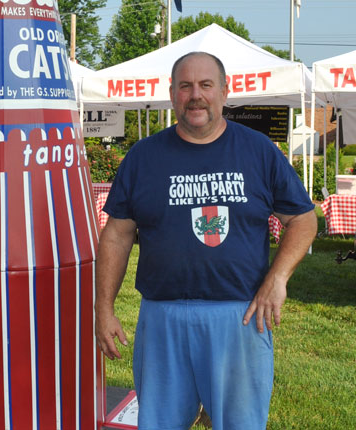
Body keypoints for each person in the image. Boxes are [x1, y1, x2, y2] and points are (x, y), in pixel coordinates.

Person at [95, 52, 317, 430]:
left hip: (239, 316)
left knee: (240, 423)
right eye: (185, 86)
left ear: (224, 92)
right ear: (172, 94)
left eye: (205, 85)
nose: (195, 95)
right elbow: (116, 234)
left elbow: (302, 218)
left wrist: (277, 279)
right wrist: (104, 307)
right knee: (160, 423)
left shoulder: (259, 151)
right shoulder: (143, 156)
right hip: (162, 317)